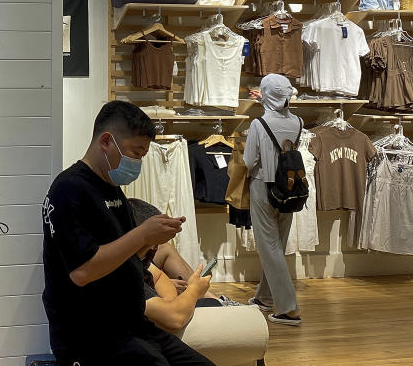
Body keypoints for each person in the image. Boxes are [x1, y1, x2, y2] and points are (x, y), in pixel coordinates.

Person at [42, 100, 214, 366]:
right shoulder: (69, 189)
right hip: (89, 336)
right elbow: (82, 271)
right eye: (135, 152)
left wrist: (152, 242)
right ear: (106, 141)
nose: (138, 162)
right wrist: (143, 235)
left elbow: (123, 255)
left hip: (133, 326)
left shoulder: (114, 192)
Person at [129, 198, 243, 335]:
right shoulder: (125, 274)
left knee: (166, 250)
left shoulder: (142, 261)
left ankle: (215, 300)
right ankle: (215, 302)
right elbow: (174, 319)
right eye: (154, 242)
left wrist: (169, 300)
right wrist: (193, 290)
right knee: (206, 305)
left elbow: (159, 280)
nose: (155, 247)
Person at [243, 74, 303, 326]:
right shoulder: (298, 122)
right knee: (276, 244)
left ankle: (288, 308)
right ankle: (265, 297)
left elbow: (248, 161)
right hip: (290, 188)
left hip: (263, 186)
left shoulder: (259, 124)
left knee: (269, 247)